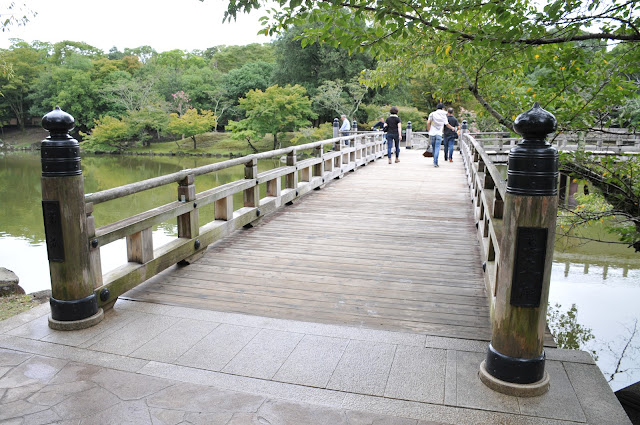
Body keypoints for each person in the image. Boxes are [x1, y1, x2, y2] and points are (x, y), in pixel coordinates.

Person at [427, 103, 455, 168]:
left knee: (434, 147)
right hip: (439, 134)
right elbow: (447, 124)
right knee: (437, 148)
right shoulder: (444, 115)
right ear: (443, 108)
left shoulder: (432, 114)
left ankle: (434, 160)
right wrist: (452, 128)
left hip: (432, 133)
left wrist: (429, 130)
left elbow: (428, 122)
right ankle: (435, 162)